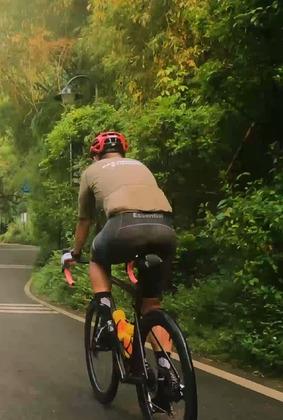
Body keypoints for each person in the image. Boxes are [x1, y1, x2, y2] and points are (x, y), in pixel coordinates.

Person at [60, 131, 179, 412]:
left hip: (122, 226)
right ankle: (167, 371)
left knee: (96, 258)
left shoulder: (92, 171)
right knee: (151, 305)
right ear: (123, 152)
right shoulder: (141, 166)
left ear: (96, 154)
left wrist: (74, 253)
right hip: (164, 229)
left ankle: (106, 316)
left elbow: (85, 218)